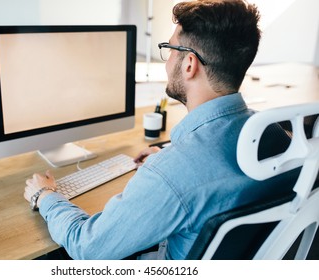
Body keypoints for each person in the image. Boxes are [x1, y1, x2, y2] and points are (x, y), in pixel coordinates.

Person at [24, 0, 295, 260]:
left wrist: (47, 196)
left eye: (170, 49)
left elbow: (87, 247)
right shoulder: (275, 134)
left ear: (189, 64)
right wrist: (166, 163)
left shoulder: (171, 173)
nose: (167, 61)